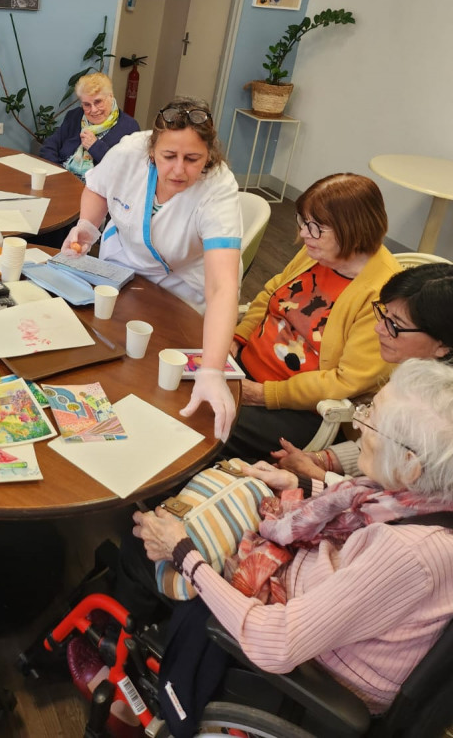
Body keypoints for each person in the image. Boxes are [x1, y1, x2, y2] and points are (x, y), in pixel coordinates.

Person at [132, 358, 453, 729]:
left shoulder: (408, 555)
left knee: (142, 550)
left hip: (313, 666)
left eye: (370, 420)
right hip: (317, 597)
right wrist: (299, 487)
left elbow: (277, 642)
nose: (359, 427)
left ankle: (131, 687)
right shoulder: (427, 496)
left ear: (411, 464)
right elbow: (372, 509)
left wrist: (183, 552)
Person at [64, 98, 242, 441]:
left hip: (180, 292)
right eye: (168, 157)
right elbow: (98, 188)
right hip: (119, 271)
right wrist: (88, 224)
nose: (178, 170)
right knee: (102, 364)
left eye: (193, 160)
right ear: (151, 151)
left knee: (156, 393)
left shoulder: (218, 188)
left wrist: (211, 369)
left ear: (210, 156)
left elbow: (222, 287)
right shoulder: (128, 151)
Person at [226, 173, 400, 460]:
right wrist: (238, 338)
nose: (305, 234)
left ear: (353, 230)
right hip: (244, 370)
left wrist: (264, 394)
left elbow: (345, 382)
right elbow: (272, 293)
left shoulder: (382, 296)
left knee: (204, 420)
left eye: (316, 227)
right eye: (303, 222)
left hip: (293, 409)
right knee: (177, 391)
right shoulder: (317, 251)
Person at [274, 262, 453, 482]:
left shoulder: (441, 414)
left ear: (443, 345)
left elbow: (395, 504)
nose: (379, 328)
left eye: (395, 325)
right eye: (384, 315)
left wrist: (319, 476)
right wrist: (322, 458)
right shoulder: (419, 372)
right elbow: (383, 443)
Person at [39, 72, 139, 179]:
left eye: (98, 102)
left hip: (100, 190)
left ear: (110, 96)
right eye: (86, 104)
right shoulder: (74, 116)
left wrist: (95, 146)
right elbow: (49, 147)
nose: (94, 110)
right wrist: (60, 175)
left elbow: (126, 171)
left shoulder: (129, 127)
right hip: (64, 182)